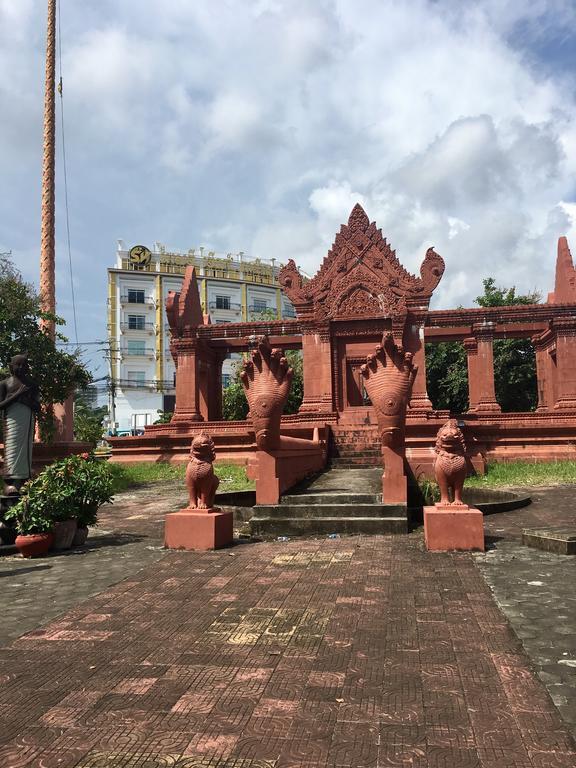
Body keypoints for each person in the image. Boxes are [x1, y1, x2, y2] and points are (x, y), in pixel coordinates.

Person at [0, 355, 40, 495]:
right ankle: (9, 483)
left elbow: (37, 406)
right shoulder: (5, 384)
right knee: (11, 450)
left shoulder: (32, 385)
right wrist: (18, 394)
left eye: (24, 365)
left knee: (25, 451)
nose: (21, 368)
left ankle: (23, 482)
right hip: (11, 421)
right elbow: (1, 405)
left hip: (26, 420)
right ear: (11, 366)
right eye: (18, 365)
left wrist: (25, 400)